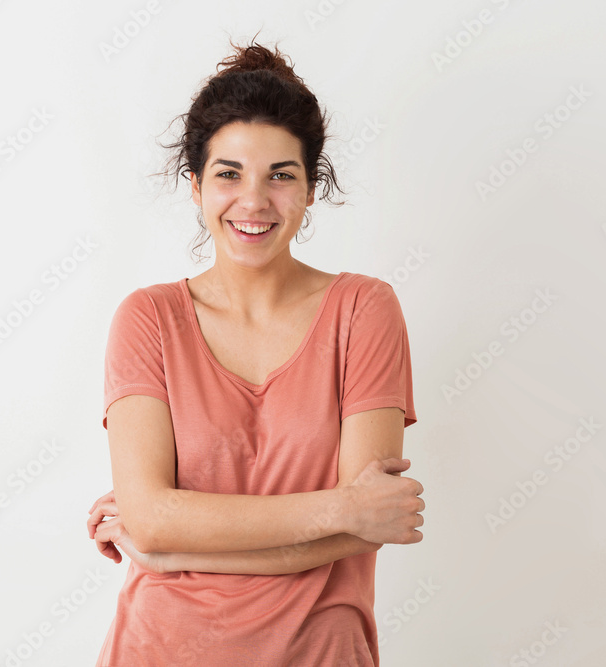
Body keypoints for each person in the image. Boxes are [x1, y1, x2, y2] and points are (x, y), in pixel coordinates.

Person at [86, 37, 424, 666]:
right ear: (195, 186)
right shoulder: (148, 320)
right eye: (228, 174)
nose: (254, 201)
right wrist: (343, 507)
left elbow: (363, 527)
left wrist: (169, 545)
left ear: (311, 189)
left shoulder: (363, 310)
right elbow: (154, 518)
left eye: (281, 176)